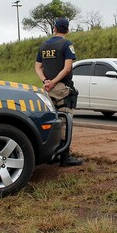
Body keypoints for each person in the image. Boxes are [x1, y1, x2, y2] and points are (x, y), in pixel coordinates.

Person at [35, 17, 83, 167]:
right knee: (65, 121)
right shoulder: (67, 44)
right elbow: (67, 68)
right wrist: (55, 81)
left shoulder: (43, 46)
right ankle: (65, 156)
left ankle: (52, 155)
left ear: (54, 28)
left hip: (48, 90)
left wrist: (46, 81)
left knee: (52, 121)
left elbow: (37, 67)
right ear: (67, 30)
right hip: (62, 88)